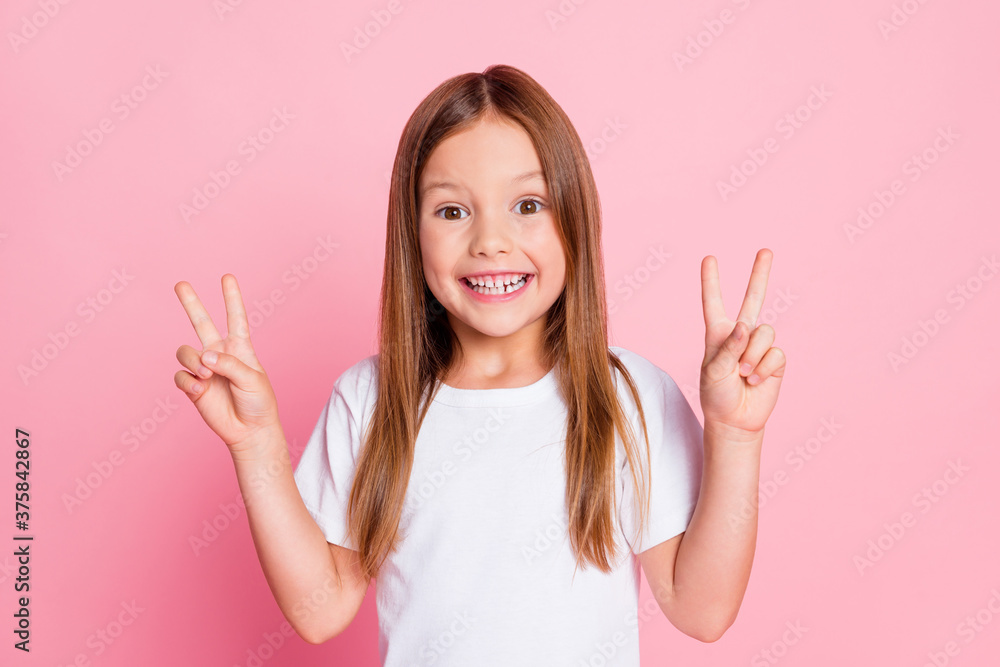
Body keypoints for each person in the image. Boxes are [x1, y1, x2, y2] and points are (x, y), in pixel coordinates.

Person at [172, 64, 785, 665]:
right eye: (452, 211)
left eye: (527, 204)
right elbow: (319, 609)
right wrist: (255, 446)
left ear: (575, 218)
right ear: (412, 235)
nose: (490, 240)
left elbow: (702, 611)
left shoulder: (628, 395)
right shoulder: (372, 399)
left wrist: (735, 435)